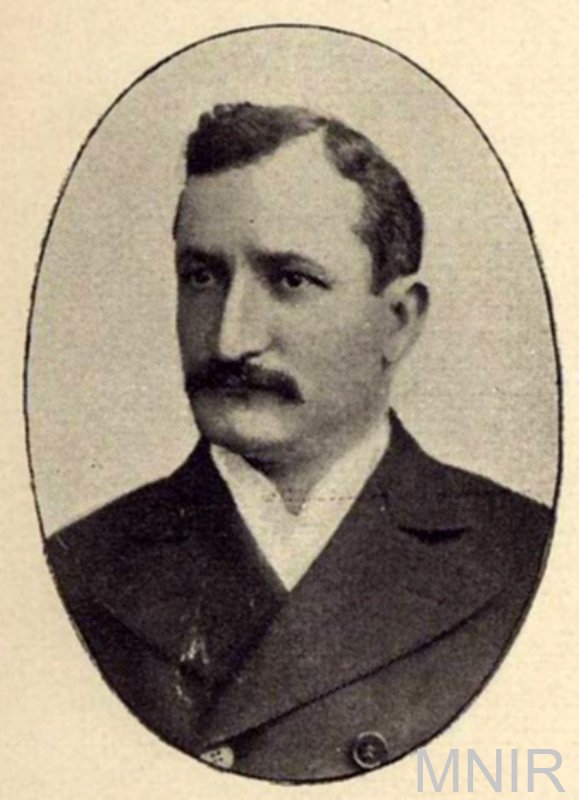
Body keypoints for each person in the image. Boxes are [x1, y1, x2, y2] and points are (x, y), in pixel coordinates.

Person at [46, 103, 553, 782]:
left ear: (398, 322)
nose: (230, 339)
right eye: (201, 276)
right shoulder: (78, 567)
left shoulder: (529, 558)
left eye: (290, 280)